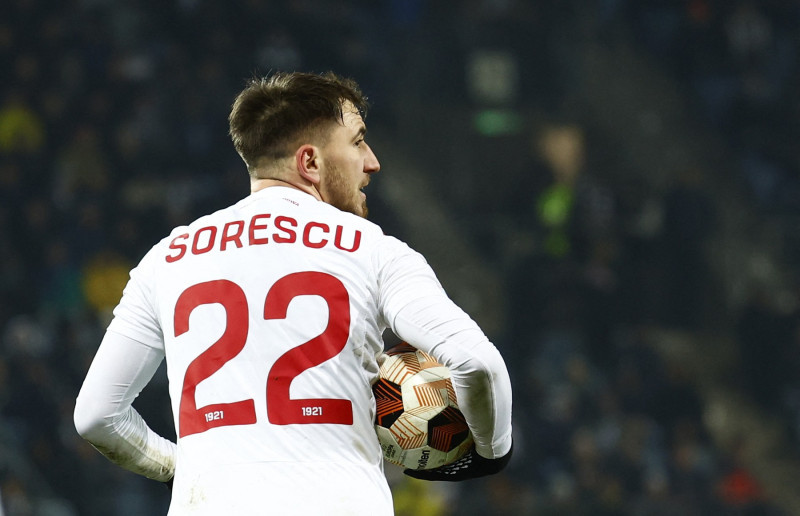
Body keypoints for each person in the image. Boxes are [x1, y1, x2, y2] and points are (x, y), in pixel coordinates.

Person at [73, 71, 513, 515]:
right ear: (310, 162)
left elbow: (96, 415)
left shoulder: (167, 258)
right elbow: (477, 363)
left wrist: (182, 468)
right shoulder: (375, 251)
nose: (372, 162)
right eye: (358, 142)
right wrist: (491, 453)